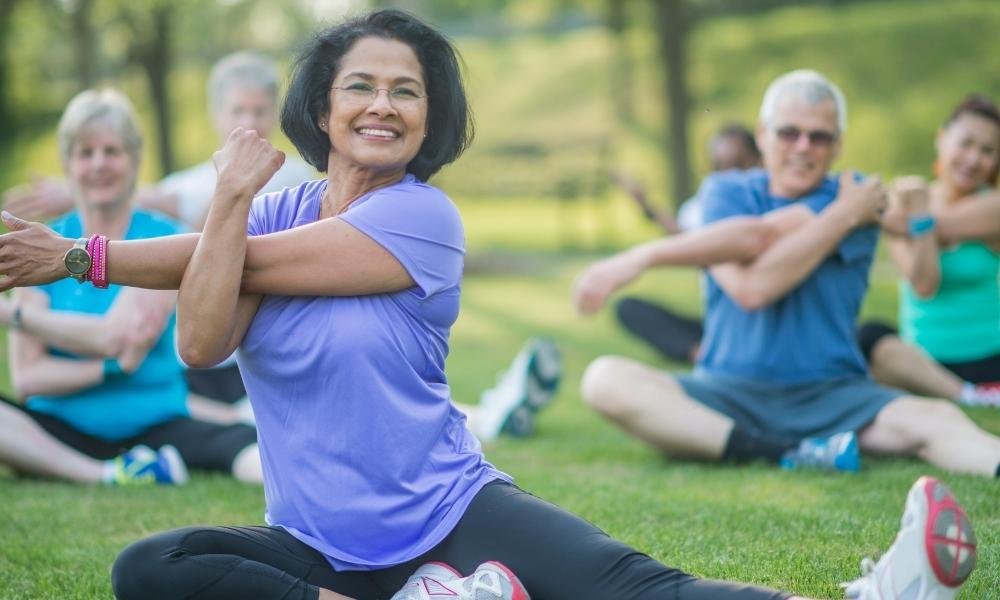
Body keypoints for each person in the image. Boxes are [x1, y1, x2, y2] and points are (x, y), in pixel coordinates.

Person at [0, 14, 972, 600]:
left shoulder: (423, 217)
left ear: (431, 116)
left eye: (407, 92)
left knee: (639, 591)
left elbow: (254, 264)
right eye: (361, 87)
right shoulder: (266, 209)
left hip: (450, 514)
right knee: (150, 569)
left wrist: (82, 255)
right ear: (321, 105)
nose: (384, 105)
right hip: (314, 543)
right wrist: (225, 198)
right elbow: (208, 335)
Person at [574, 70, 1000, 478]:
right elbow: (750, 278)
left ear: (837, 145)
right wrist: (637, 258)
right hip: (726, 393)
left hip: (837, 397)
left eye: (819, 136)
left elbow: (761, 263)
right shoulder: (728, 193)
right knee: (605, 379)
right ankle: (786, 452)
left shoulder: (856, 197)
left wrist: (855, 212)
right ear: (762, 135)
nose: (803, 146)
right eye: (788, 132)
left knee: (939, 418)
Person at [0, 89, 261, 486]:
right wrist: (111, 367)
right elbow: (29, 377)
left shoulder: (164, 239)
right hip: (58, 426)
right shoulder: (44, 242)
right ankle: (106, 474)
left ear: (135, 160)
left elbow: (115, 336)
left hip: (157, 423)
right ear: (68, 165)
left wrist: (15, 315)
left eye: (112, 151)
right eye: (86, 153)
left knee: (247, 447)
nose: (99, 164)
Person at [858, 94, 1000, 403]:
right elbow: (923, 283)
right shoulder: (911, 203)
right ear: (942, 139)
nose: (974, 159)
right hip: (921, 364)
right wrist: (917, 214)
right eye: (966, 143)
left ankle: (976, 391)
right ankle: (969, 395)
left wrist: (909, 216)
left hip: (989, 359)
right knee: (868, 335)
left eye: (987, 151)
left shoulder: (994, 206)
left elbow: (908, 224)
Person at [613, 124, 762, 363]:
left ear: (758, 161)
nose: (728, 175)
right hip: (719, 324)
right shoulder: (700, 208)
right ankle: (703, 354)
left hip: (763, 322)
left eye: (737, 164)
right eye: (719, 166)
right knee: (629, 308)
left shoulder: (770, 207)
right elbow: (683, 240)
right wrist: (645, 205)